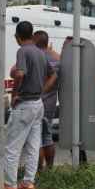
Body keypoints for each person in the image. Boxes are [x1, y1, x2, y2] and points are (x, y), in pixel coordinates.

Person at [3, 21, 51, 189]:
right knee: (33, 145)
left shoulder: (22, 51)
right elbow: (52, 74)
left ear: (18, 36)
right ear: (31, 34)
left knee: (12, 147)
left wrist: (14, 94)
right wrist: (42, 90)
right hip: (38, 104)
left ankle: (9, 185)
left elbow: (20, 73)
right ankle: (28, 183)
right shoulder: (40, 52)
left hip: (24, 104)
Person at [33, 30, 59, 171]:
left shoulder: (35, 55)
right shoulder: (56, 57)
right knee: (47, 136)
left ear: (36, 41)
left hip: (35, 101)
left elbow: (15, 71)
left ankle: (38, 170)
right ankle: (50, 169)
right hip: (50, 102)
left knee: (36, 139)